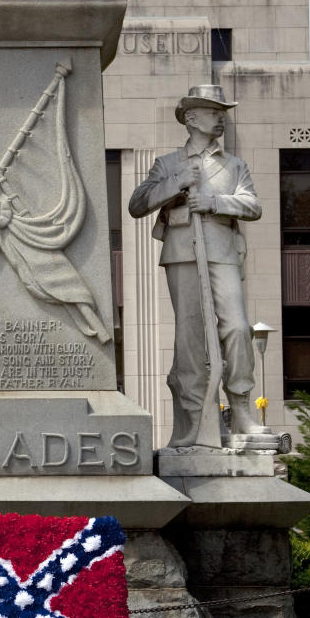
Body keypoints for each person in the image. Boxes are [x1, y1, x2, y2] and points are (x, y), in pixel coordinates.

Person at [129, 84, 267, 448]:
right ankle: (195, 419)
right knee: (189, 339)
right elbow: (137, 203)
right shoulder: (168, 164)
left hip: (221, 253)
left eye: (221, 111)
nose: (220, 117)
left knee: (237, 328)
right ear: (191, 118)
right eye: (211, 111)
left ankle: (240, 411)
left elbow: (253, 206)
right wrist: (177, 184)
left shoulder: (234, 165)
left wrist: (215, 201)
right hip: (181, 254)